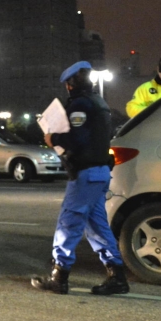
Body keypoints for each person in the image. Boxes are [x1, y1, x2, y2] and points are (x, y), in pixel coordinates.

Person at [32, 61, 130, 295]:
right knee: (97, 226)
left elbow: (75, 138)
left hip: (85, 174)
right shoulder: (100, 103)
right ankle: (117, 276)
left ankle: (59, 276)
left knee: (69, 223)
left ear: (70, 84)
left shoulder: (81, 105)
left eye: (68, 84)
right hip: (100, 172)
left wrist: (52, 138)